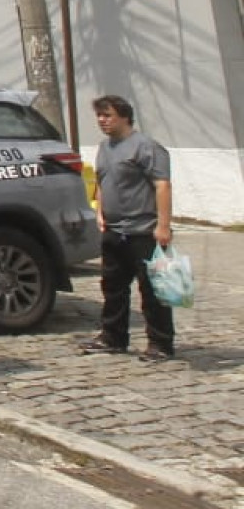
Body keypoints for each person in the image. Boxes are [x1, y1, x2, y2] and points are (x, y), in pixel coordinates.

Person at [80, 95, 175, 362]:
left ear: (124, 116)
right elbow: (101, 181)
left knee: (153, 290)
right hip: (114, 229)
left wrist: (163, 225)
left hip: (143, 230)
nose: (102, 121)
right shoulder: (104, 147)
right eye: (99, 116)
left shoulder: (145, 147)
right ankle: (113, 337)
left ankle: (160, 343)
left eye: (107, 115)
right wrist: (100, 212)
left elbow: (162, 185)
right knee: (112, 287)